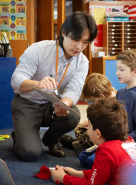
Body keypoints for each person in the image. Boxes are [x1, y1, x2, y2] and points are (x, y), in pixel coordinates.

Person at [11, 12, 98, 161]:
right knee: (30, 153)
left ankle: (51, 139)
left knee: (72, 114)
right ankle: (20, 136)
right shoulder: (39, 49)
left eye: (85, 42)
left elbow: (74, 90)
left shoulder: (82, 61)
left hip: (51, 103)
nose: (79, 47)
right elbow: (16, 80)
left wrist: (63, 104)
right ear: (63, 33)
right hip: (27, 103)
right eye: (76, 39)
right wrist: (37, 84)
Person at [50, 98, 136, 185]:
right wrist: (79, 173)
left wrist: (63, 178)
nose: (87, 126)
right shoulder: (128, 140)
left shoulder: (106, 151)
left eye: (89, 125)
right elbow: (102, 172)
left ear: (98, 133)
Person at [78, 49, 136, 169]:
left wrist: (117, 144)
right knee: (83, 157)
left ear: (135, 72)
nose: (117, 73)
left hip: (133, 146)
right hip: (117, 141)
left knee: (93, 162)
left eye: (121, 70)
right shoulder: (121, 92)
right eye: (117, 69)